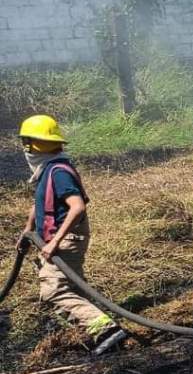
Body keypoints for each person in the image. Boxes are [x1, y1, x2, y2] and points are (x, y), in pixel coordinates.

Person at [17, 114, 128, 355]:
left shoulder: (58, 171)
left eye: (26, 142)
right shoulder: (48, 168)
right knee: (74, 288)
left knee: (54, 291)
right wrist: (28, 230)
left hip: (66, 239)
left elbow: (77, 206)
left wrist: (53, 242)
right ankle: (93, 329)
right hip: (61, 237)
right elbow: (38, 203)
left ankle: (106, 330)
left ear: (34, 144)